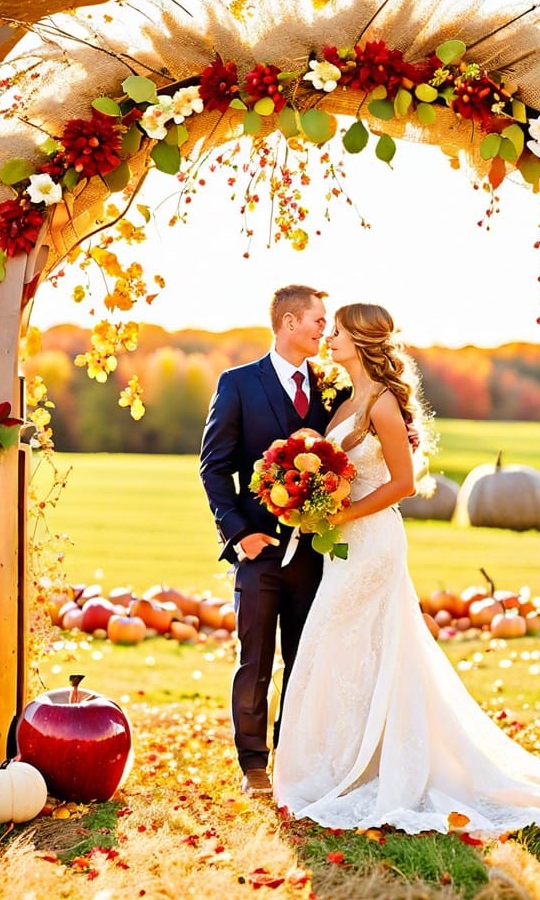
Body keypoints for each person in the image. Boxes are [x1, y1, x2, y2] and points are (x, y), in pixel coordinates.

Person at [272, 302, 540, 835]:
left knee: (345, 639)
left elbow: (401, 482)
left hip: (372, 545)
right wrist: (313, 504)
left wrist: (343, 512)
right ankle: (342, 765)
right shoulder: (346, 401)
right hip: (342, 544)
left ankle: (368, 769)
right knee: (344, 648)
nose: (330, 338)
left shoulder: (382, 405)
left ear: (363, 339)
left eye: (340, 331)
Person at [200, 284, 347, 797]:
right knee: (255, 662)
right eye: (316, 320)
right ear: (288, 323)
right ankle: (254, 765)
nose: (323, 329)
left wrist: (407, 433)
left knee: (305, 660)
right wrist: (241, 535)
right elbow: (214, 468)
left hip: (316, 554)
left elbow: (363, 434)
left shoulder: (333, 389)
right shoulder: (238, 383)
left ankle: (294, 759)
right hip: (259, 553)